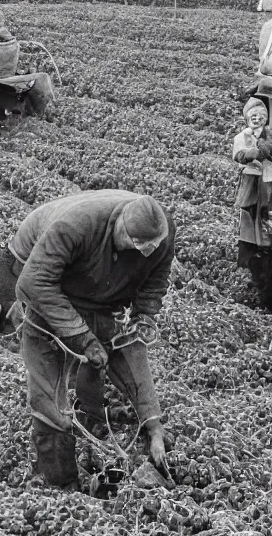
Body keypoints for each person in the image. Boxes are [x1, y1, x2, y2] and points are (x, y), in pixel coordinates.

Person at [10, 190, 175, 487]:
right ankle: (58, 481)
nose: (145, 254)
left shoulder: (161, 235)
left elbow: (154, 282)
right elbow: (34, 282)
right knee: (48, 384)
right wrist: (84, 339)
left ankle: (95, 417)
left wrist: (143, 318)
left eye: (150, 248)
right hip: (40, 272)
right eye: (137, 246)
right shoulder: (77, 226)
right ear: (119, 226)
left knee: (109, 348)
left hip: (96, 286)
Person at [233, 98, 272, 242]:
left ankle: (268, 240)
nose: (257, 119)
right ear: (247, 119)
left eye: (260, 116)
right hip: (251, 180)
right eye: (253, 116)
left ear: (265, 119)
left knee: (269, 210)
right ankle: (249, 240)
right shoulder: (241, 137)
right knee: (249, 210)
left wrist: (267, 148)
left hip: (269, 179)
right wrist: (255, 152)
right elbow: (239, 155)